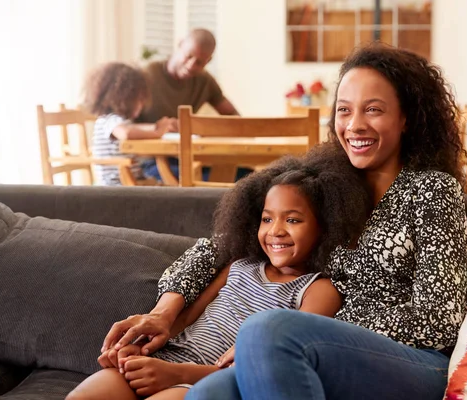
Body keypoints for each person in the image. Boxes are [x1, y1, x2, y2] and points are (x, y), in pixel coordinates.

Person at [102, 42, 467, 400]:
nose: (355, 125)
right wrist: (163, 314)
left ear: (406, 117)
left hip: (411, 364)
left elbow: (440, 317)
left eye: (373, 110)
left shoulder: (432, 190)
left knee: (266, 329)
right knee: (211, 391)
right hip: (304, 349)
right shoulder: (325, 182)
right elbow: (219, 246)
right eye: (344, 110)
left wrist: (307, 331)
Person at [67, 143, 371, 400]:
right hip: (165, 358)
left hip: (205, 378)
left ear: (326, 228)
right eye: (267, 219)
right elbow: (186, 318)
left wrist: (175, 374)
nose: (275, 231)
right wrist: (138, 349)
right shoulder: (238, 265)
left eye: (292, 220)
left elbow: (280, 360)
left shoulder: (318, 289)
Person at [137, 28, 240, 182]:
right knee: (221, 182)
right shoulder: (147, 76)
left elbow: (234, 118)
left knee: (246, 177)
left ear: (208, 61)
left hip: (188, 160)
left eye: (199, 62)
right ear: (180, 45)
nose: (192, 65)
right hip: (152, 161)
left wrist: (203, 128)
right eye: (188, 56)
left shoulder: (205, 82)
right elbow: (121, 124)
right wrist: (159, 128)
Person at [84, 62, 177, 186]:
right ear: (124, 98)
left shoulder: (116, 120)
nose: (143, 104)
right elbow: (126, 133)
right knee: (169, 187)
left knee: (167, 186)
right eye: (139, 99)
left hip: (132, 178)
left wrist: (155, 127)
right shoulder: (110, 120)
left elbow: (131, 128)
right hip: (118, 182)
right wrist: (157, 133)